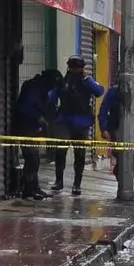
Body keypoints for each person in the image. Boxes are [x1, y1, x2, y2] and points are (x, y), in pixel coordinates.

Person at [49, 56, 105, 196]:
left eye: (77, 67)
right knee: (60, 151)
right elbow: (51, 98)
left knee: (79, 154)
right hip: (64, 121)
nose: (74, 70)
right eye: (72, 67)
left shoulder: (86, 81)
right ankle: (59, 181)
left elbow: (99, 91)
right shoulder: (63, 81)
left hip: (81, 123)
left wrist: (87, 80)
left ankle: (77, 184)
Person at [15, 69, 62, 200]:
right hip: (26, 128)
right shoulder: (33, 89)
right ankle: (28, 189)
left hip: (33, 129)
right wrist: (38, 118)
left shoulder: (41, 90)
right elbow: (24, 108)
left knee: (34, 159)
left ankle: (34, 188)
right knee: (32, 159)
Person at [99, 82, 134, 175]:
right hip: (116, 126)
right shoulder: (113, 92)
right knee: (119, 155)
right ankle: (121, 176)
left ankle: (125, 176)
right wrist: (104, 128)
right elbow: (103, 110)